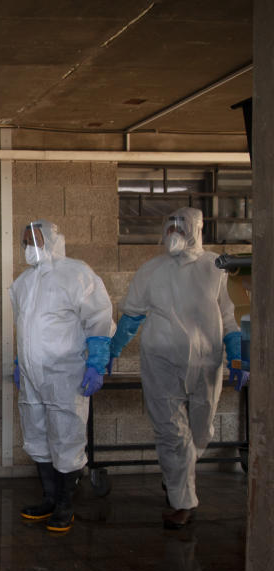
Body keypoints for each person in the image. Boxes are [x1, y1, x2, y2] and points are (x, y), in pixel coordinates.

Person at [108, 207, 241, 530]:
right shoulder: (151, 270)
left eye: (179, 229)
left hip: (207, 361)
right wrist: (111, 351)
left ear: (196, 229)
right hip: (160, 360)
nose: (172, 235)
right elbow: (132, 316)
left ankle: (177, 474)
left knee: (201, 429)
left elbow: (227, 314)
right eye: (168, 228)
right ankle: (182, 502)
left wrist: (237, 355)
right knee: (171, 433)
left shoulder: (215, 266)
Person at [10, 220, 113, 533]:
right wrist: (19, 361)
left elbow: (99, 318)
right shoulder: (22, 282)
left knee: (67, 433)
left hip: (65, 372)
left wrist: (97, 361)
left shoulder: (77, 274)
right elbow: (24, 328)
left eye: (36, 240)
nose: (30, 247)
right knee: (37, 433)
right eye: (25, 241)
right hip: (31, 373)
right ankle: (49, 498)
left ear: (52, 241)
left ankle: (66, 504)